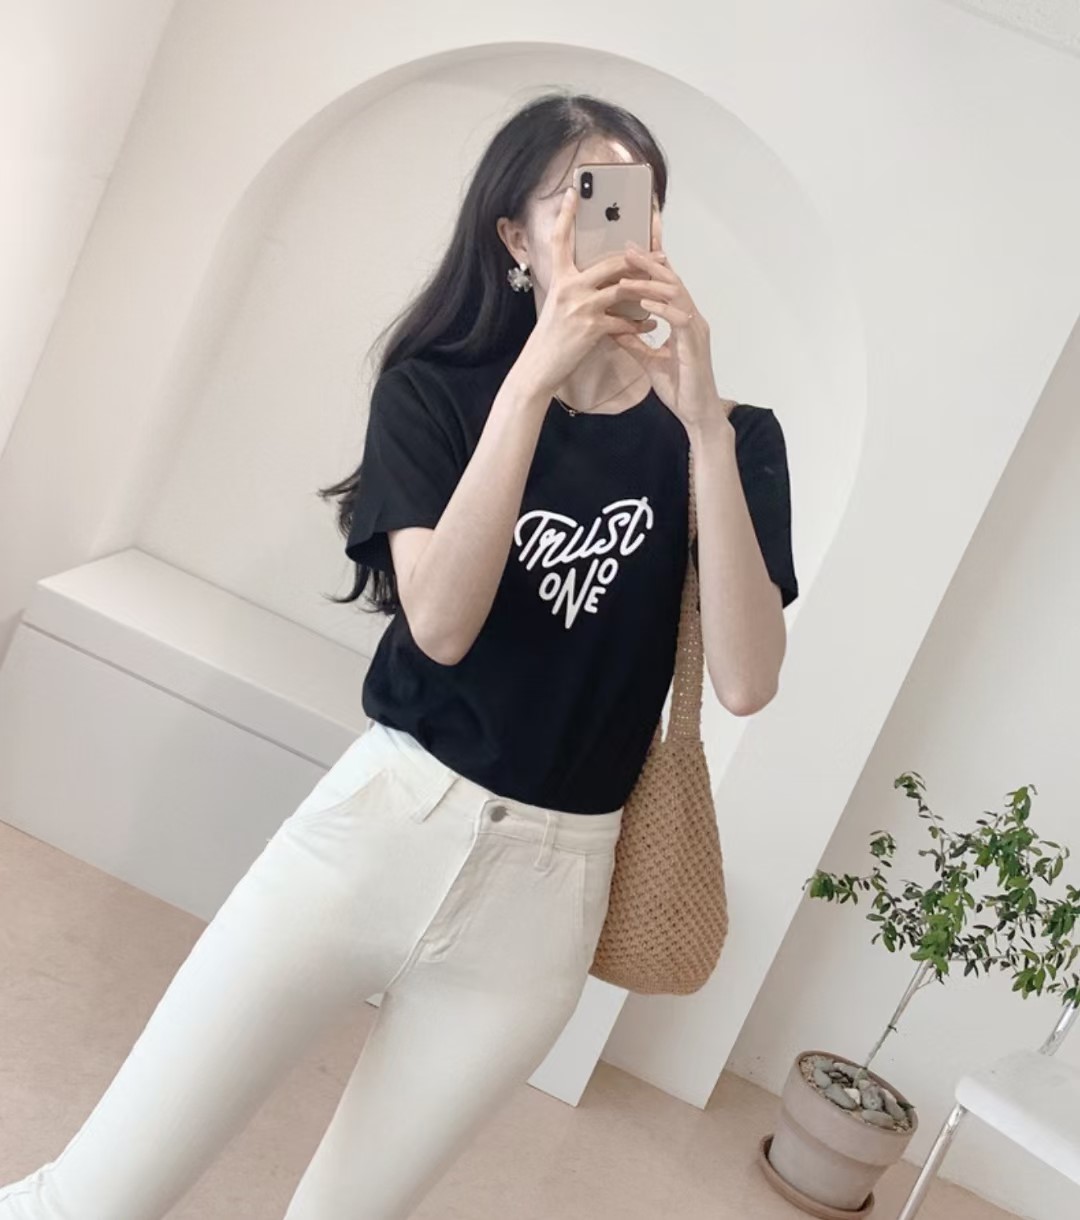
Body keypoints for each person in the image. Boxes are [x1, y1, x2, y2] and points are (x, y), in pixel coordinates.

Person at [0, 91, 797, 1219]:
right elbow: (444, 623)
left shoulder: (732, 435)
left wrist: (704, 424)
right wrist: (533, 385)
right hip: (377, 830)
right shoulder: (437, 391)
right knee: (97, 1193)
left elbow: (748, 681)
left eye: (635, 199)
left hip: (548, 900)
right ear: (515, 238)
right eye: (578, 197)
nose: (615, 224)